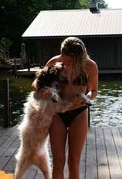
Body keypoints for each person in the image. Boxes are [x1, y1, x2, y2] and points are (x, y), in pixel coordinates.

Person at [45, 37, 98, 179]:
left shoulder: (90, 66)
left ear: (78, 57)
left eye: (68, 59)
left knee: (73, 161)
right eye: (63, 55)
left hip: (79, 113)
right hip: (58, 113)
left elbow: (94, 91)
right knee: (58, 162)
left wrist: (85, 99)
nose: (64, 60)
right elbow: (41, 86)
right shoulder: (54, 62)